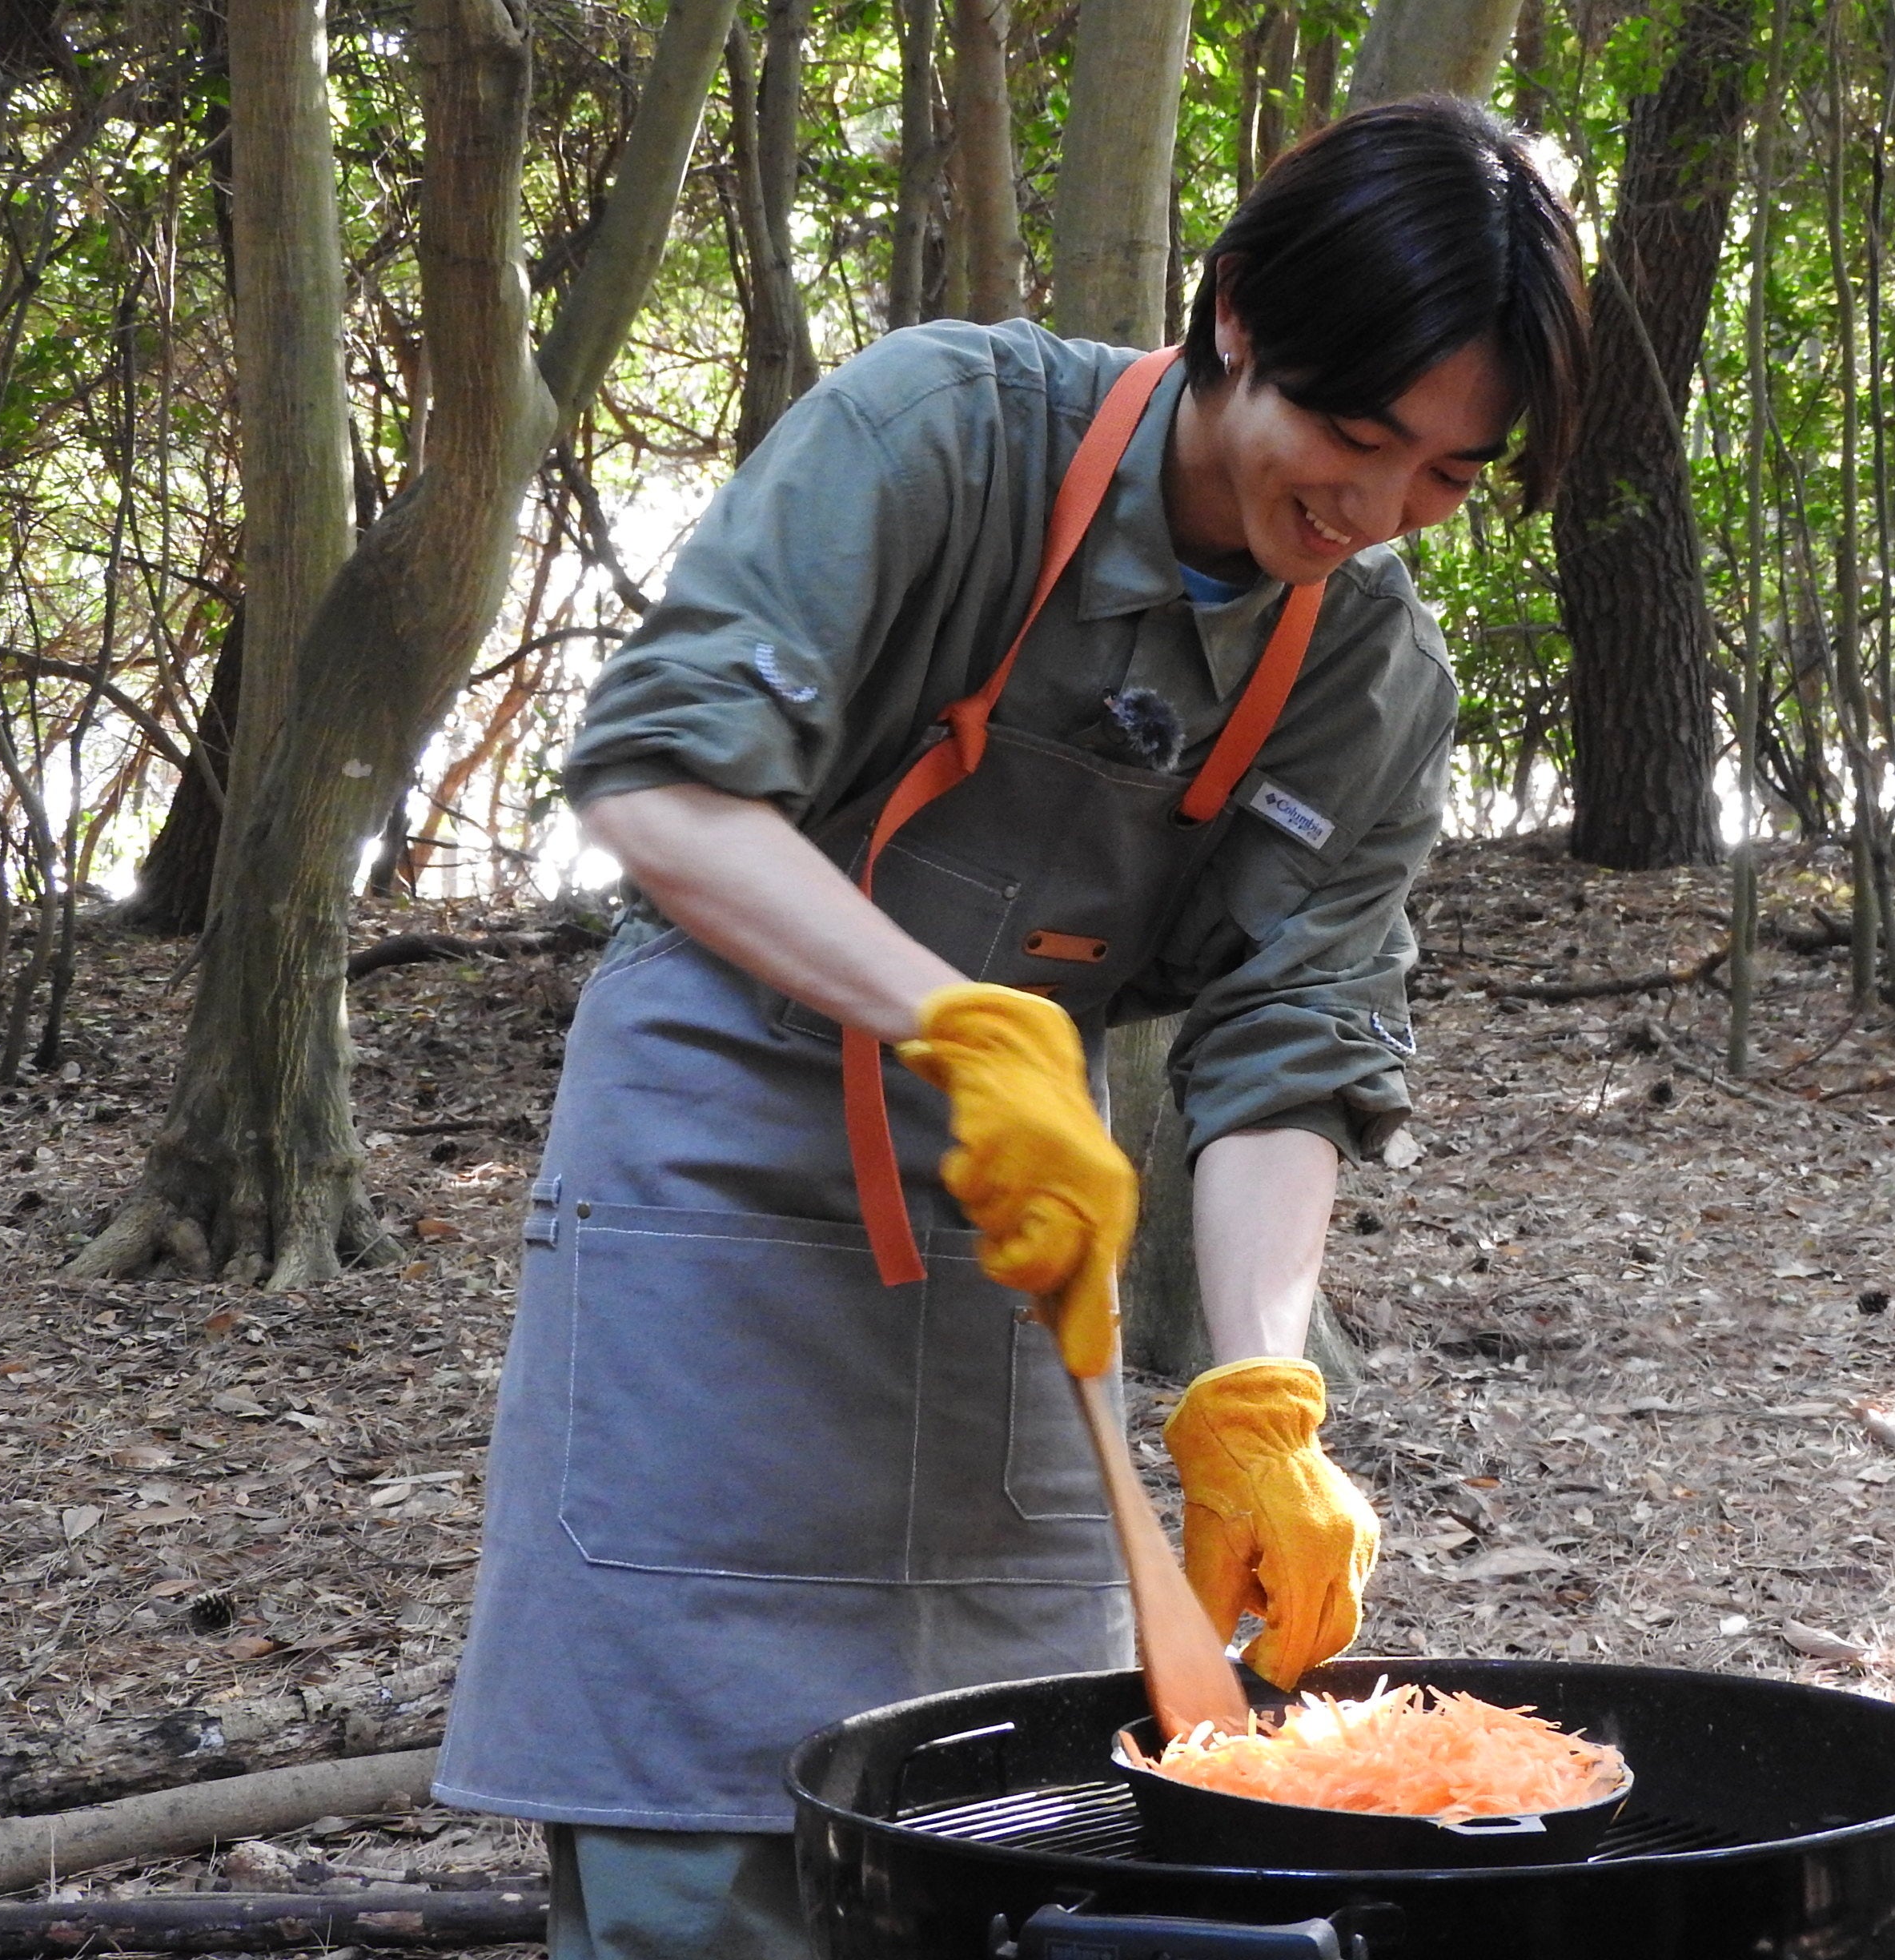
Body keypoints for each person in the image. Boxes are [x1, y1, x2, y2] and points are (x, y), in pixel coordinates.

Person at [432, 94, 1588, 1960]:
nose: (1372, 512)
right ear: (1235, 326)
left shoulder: (1366, 674)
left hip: (1017, 1228)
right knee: (701, 1827)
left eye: (1447, 478)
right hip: (713, 1171)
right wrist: (953, 1021)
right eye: (1354, 436)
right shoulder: (944, 433)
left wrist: (1254, 1396)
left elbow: (1288, 1044)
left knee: (1044, 1798)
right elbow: (662, 788)